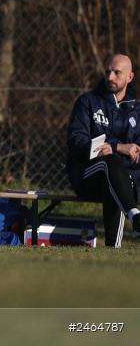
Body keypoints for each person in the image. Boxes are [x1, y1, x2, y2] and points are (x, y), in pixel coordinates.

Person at [66, 53, 140, 247]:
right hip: (87, 174)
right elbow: (76, 142)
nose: (110, 77)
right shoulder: (88, 102)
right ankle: (135, 215)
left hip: (126, 180)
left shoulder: (137, 112)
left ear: (130, 77)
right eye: (108, 72)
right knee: (110, 165)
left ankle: (112, 249)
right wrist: (118, 147)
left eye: (117, 73)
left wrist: (119, 151)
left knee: (120, 177)